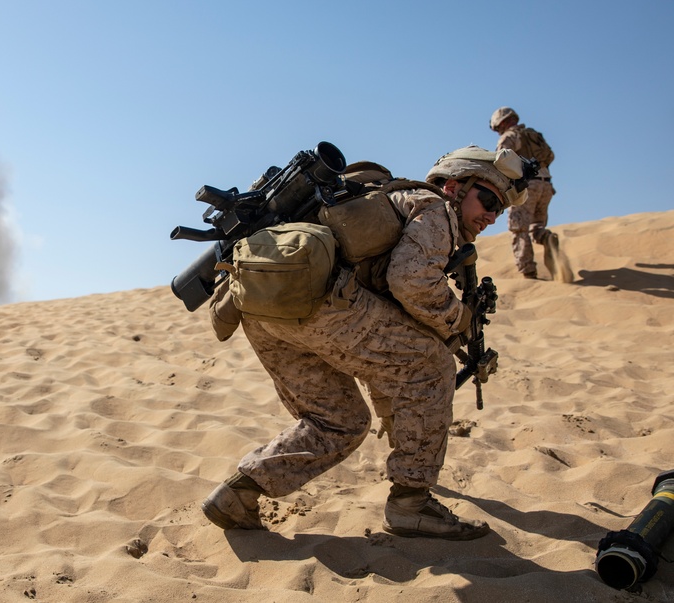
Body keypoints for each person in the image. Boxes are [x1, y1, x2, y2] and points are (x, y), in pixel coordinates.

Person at [202, 146, 531, 541]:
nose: (492, 215)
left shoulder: (386, 200)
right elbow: (412, 282)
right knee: (430, 367)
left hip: (262, 310)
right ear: (455, 186)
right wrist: (458, 319)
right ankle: (411, 503)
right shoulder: (435, 208)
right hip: (325, 305)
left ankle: (239, 494)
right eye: (489, 200)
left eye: (500, 209)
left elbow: (386, 343)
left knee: (339, 422)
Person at [490, 107, 557, 279]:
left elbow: (501, 161)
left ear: (503, 122)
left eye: (498, 128)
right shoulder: (533, 135)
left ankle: (528, 273)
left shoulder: (510, 137)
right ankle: (546, 238)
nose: (498, 132)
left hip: (526, 187)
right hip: (546, 186)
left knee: (519, 229)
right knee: (537, 225)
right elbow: (549, 157)